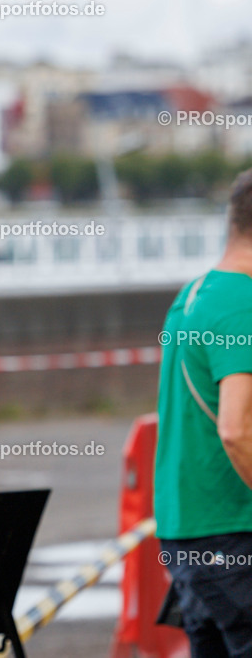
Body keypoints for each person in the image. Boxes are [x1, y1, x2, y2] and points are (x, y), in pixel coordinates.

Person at [155, 168, 252, 656]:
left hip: (185, 533)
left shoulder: (193, 295)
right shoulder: (243, 304)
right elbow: (236, 429)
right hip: (234, 531)